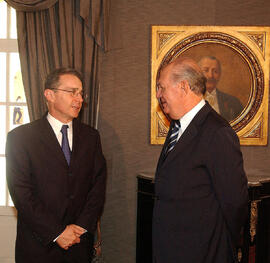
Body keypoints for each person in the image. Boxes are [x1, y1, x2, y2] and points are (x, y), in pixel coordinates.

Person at [6, 68, 107, 263]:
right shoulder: (21, 138)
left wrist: (80, 227)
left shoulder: (91, 137)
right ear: (49, 95)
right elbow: (21, 193)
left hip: (79, 244)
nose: (79, 99)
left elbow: (98, 187)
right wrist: (57, 233)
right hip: (38, 246)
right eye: (72, 92)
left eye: (81, 93)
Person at [153, 57, 248, 263]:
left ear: (183, 87)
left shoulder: (217, 132)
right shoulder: (177, 126)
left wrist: (220, 245)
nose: (158, 95)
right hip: (172, 249)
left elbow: (235, 202)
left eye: (161, 87)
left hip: (202, 252)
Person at [198, 56, 243, 122]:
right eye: (206, 70)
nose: (210, 75)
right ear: (198, 73)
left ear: (219, 75)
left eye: (215, 71)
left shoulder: (234, 103)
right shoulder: (188, 99)